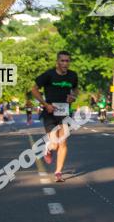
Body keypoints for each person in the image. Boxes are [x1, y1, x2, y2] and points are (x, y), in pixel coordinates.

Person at [31, 51, 79, 182]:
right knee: (55, 145)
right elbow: (34, 89)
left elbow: (76, 89)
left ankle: (58, 172)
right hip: (50, 113)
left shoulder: (73, 75)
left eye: (67, 61)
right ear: (57, 62)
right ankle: (48, 148)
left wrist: (73, 97)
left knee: (63, 142)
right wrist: (46, 104)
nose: (65, 63)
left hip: (65, 113)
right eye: (62, 61)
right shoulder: (49, 75)